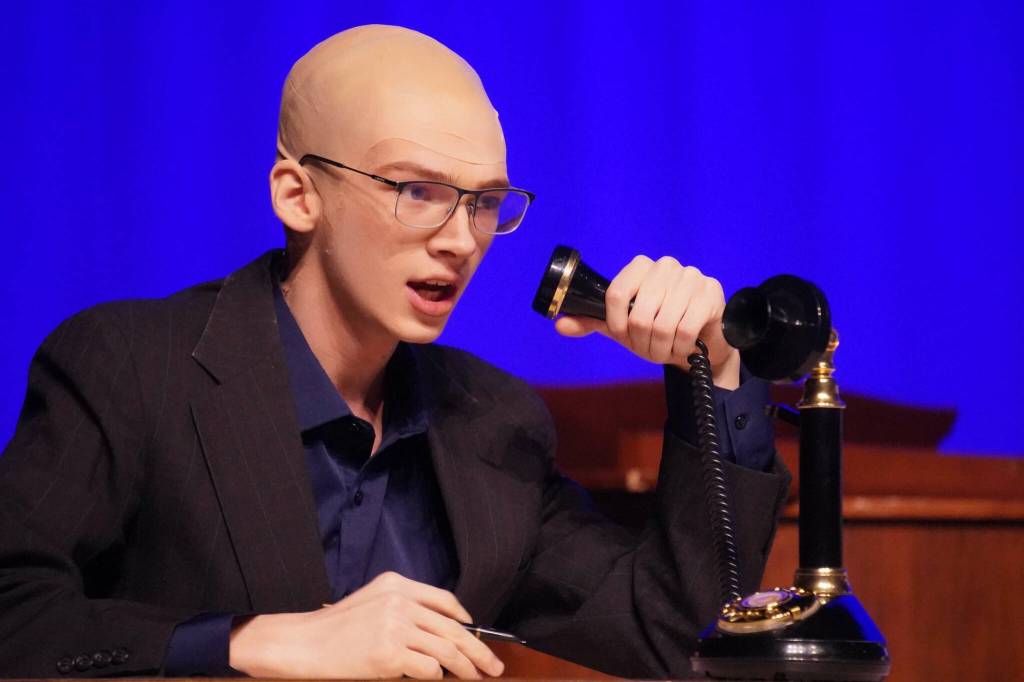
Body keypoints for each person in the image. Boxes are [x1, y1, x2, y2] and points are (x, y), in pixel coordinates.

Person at [0, 25, 788, 679]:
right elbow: (15, 615)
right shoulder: (130, 367)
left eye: (483, 203)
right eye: (417, 191)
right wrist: (256, 640)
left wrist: (715, 369)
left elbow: (675, 633)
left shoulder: (494, 423)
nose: (458, 240)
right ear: (297, 194)